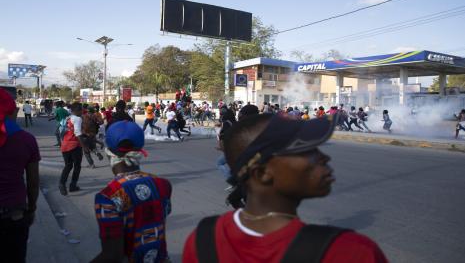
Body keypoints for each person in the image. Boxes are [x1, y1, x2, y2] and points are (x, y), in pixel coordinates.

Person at [182, 114, 388, 263]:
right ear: (262, 174)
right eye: (306, 151)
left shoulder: (203, 239)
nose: (324, 158)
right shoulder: (351, 252)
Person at [91, 121, 172, 263]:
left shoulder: (107, 197)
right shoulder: (163, 185)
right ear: (140, 150)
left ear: (109, 152)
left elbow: (112, 255)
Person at [0, 89, 40, 263]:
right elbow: (33, 182)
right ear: (12, 111)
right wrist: (31, 209)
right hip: (13, 214)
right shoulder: (26, 139)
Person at [59, 102, 88, 195]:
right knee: (77, 166)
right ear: (77, 110)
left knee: (68, 165)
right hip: (74, 145)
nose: (82, 111)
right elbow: (78, 133)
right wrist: (84, 147)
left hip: (65, 144)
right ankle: (73, 185)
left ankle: (62, 183)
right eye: (81, 109)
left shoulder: (68, 117)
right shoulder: (78, 119)